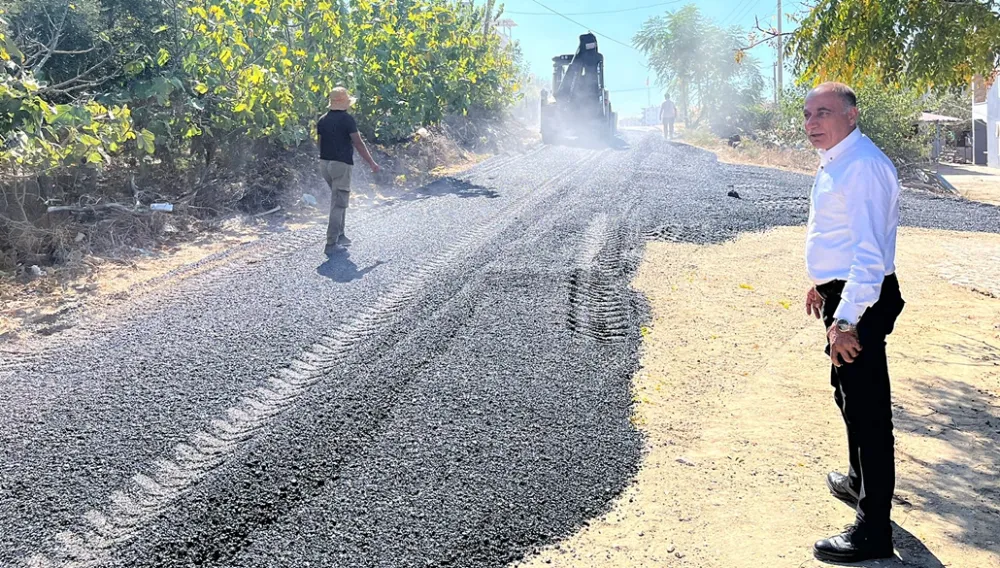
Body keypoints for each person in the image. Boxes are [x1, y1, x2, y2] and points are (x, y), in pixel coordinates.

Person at [802, 82, 905, 563]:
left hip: (859, 300)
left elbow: (869, 253)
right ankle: (859, 483)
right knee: (847, 395)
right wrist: (821, 285)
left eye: (823, 112)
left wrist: (845, 319)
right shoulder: (839, 161)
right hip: (842, 294)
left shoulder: (862, 166)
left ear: (852, 114)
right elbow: (837, 236)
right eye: (807, 114)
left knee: (868, 412)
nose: (812, 122)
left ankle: (873, 530)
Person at [317, 87, 380, 255]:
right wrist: (371, 163)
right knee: (338, 203)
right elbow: (358, 143)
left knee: (339, 198)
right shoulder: (347, 120)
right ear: (345, 102)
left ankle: (341, 235)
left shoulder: (322, 120)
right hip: (340, 165)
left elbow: (320, 143)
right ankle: (331, 243)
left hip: (325, 163)